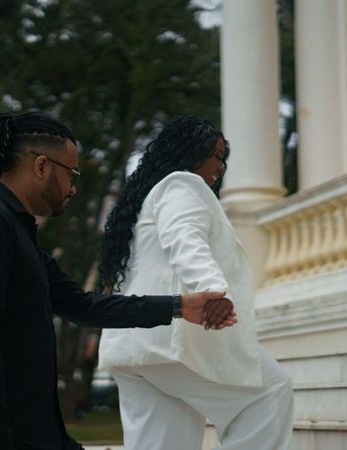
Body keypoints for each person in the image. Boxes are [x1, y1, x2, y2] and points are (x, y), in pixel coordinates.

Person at [0, 111, 237, 450]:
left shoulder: (15, 231)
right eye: (71, 173)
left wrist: (179, 306)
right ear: (41, 166)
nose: (73, 188)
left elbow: (84, 306)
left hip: (33, 433)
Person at [98, 116, 294, 450]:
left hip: (133, 345)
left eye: (224, 158)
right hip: (169, 342)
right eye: (216, 155)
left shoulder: (147, 198)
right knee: (270, 393)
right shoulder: (182, 185)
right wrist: (212, 290)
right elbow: (184, 238)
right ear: (190, 152)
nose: (221, 166)